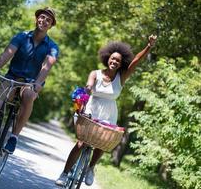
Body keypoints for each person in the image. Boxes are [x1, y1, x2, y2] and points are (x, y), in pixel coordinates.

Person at [55, 35, 157, 186]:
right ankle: (64, 173)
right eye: (113, 58)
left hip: (109, 113)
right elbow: (89, 87)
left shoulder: (121, 78)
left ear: (121, 64)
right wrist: (84, 97)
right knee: (80, 144)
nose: (114, 62)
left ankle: (91, 168)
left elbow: (136, 61)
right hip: (90, 107)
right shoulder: (95, 73)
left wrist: (149, 46)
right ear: (107, 58)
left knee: (103, 141)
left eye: (118, 61)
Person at [0, 7, 59, 154]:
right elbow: (7, 54)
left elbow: (48, 64)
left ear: (51, 25)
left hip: (31, 82)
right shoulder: (21, 36)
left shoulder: (52, 46)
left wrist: (38, 83)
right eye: (42, 17)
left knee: (28, 96)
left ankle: (13, 137)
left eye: (48, 20)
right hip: (12, 76)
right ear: (36, 19)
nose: (44, 21)